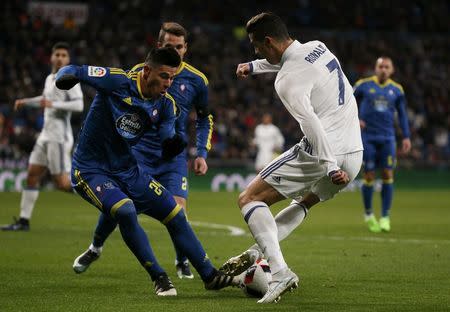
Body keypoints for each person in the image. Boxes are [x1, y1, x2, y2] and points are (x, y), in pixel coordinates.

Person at [55, 47, 237, 296]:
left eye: (172, 78)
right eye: (164, 76)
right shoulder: (117, 80)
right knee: (126, 210)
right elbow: (75, 70)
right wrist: (63, 77)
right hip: (90, 169)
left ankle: (210, 275)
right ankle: (159, 276)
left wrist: (171, 144)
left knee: (174, 213)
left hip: (128, 169)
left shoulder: (165, 105)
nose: (168, 83)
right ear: (147, 71)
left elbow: (166, 135)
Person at [220, 13, 363, 303]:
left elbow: (310, 121)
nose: (256, 51)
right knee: (303, 203)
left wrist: (330, 164)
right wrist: (254, 66)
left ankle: (280, 272)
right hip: (355, 154)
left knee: (249, 199)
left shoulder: (285, 82)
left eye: (257, 47)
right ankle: (256, 252)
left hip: (325, 152)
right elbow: (292, 61)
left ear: (269, 41)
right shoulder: (317, 46)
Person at [73, 22, 214, 280]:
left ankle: (182, 261)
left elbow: (205, 118)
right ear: (159, 46)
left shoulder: (197, 80)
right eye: (170, 46)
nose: (176, 51)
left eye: (180, 47)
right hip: (137, 152)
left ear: (186, 48)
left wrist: (202, 152)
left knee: (176, 211)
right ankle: (96, 246)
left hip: (171, 155)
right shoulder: (140, 73)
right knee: (120, 207)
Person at [1, 42, 83, 231]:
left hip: (59, 138)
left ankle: (103, 195)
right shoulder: (49, 78)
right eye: (57, 54)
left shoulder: (70, 79)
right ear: (52, 57)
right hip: (45, 136)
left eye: (64, 55)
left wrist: (54, 105)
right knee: (31, 176)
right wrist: (26, 102)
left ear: (68, 59)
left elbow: (78, 106)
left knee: (62, 184)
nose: (60, 57)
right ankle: (23, 221)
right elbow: (45, 99)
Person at [354, 57, 411, 232]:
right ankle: (369, 214)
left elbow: (402, 115)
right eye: (380, 66)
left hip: (387, 138)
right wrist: (355, 119)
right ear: (375, 68)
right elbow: (347, 103)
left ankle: (385, 216)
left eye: (387, 67)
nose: (383, 69)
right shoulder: (363, 85)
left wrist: (406, 136)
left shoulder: (397, 90)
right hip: (368, 137)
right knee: (369, 175)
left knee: (387, 173)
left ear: (392, 70)